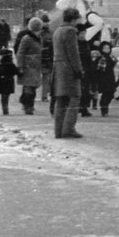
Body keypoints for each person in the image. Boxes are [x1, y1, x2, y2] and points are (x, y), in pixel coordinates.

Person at [51, 8, 84, 139]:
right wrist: (78, 70)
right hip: (68, 69)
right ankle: (69, 128)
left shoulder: (57, 31)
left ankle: (58, 130)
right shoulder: (70, 31)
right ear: (73, 19)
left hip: (58, 67)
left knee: (61, 100)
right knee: (74, 98)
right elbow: (73, 53)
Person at [16, 18, 44, 115]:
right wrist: (20, 66)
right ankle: (28, 106)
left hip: (36, 65)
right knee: (29, 86)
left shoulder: (38, 38)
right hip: (28, 66)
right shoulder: (27, 38)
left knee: (33, 86)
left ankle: (27, 103)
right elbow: (21, 53)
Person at [93, 41, 118, 117]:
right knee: (106, 94)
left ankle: (105, 109)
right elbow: (99, 69)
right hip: (104, 79)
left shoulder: (110, 57)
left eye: (108, 48)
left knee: (110, 94)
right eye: (105, 48)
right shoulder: (102, 58)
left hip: (110, 78)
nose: (107, 49)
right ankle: (104, 110)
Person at [0, 46, 18, 115]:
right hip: (9, 81)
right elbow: (16, 72)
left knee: (3, 96)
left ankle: (4, 107)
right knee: (6, 95)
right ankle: (5, 108)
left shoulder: (1, 65)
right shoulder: (11, 65)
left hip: (2, 81)